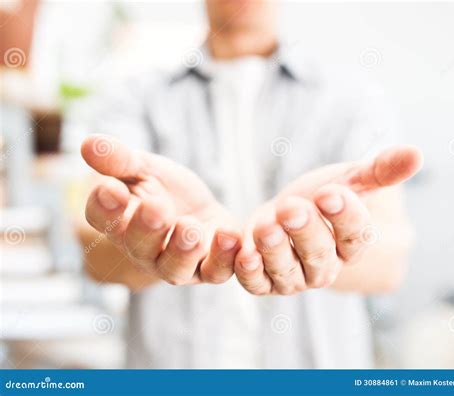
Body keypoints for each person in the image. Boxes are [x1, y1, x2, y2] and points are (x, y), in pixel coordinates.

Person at [79, 0, 423, 368]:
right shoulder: (135, 97)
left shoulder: (350, 98)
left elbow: (390, 262)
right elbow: (95, 255)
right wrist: (147, 239)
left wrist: (325, 241)